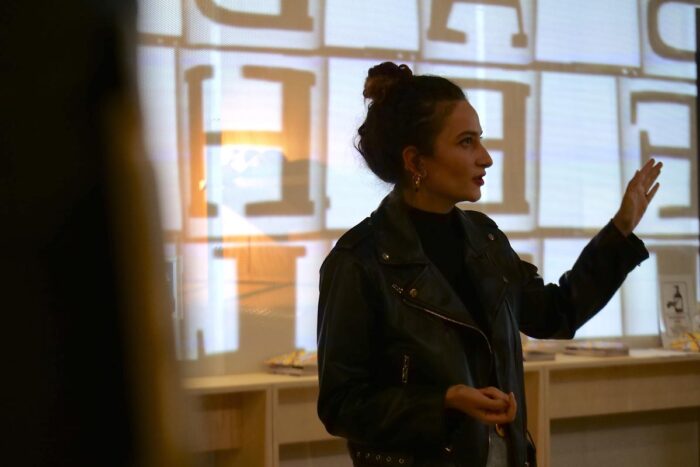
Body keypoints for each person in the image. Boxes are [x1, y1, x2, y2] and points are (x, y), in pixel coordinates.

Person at [316, 62, 661, 467]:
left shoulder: (486, 239)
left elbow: (556, 313)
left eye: (479, 140)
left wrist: (620, 230)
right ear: (415, 161)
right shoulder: (359, 261)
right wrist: (444, 402)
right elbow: (342, 405)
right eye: (466, 142)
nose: (485, 158)